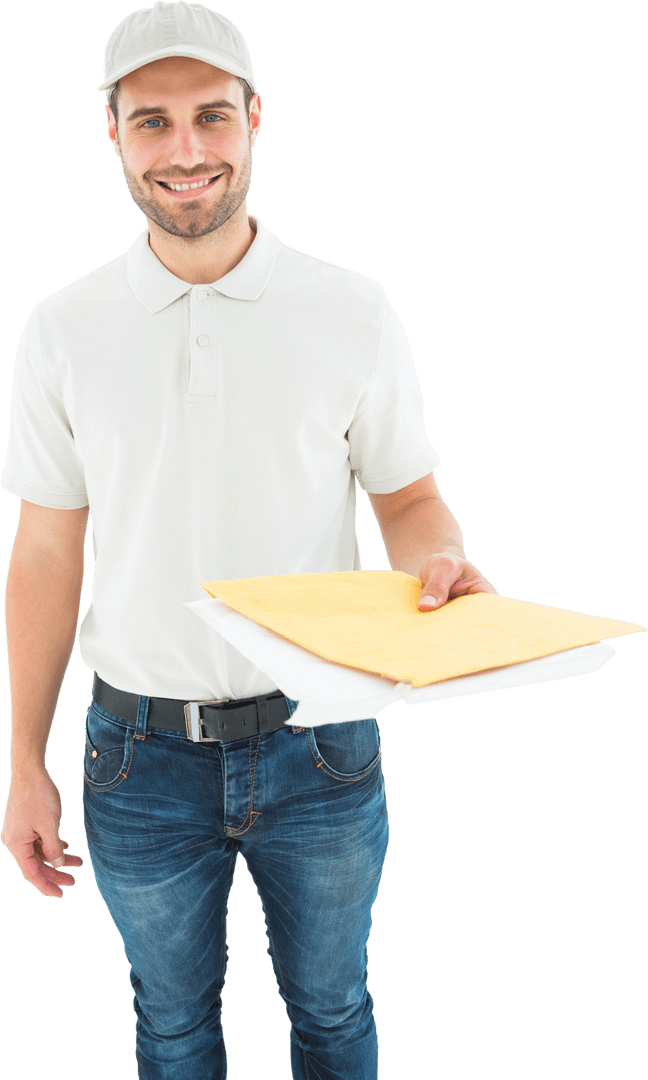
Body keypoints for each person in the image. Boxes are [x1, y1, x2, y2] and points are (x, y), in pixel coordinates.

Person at [0, 3, 497, 1078]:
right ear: (113, 132)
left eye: (212, 117)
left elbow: (408, 501)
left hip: (322, 745)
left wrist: (436, 564)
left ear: (256, 119)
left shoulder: (351, 310)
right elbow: (44, 552)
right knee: (172, 1030)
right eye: (153, 122)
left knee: (333, 1013)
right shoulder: (63, 330)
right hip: (135, 757)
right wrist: (22, 759)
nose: (186, 152)